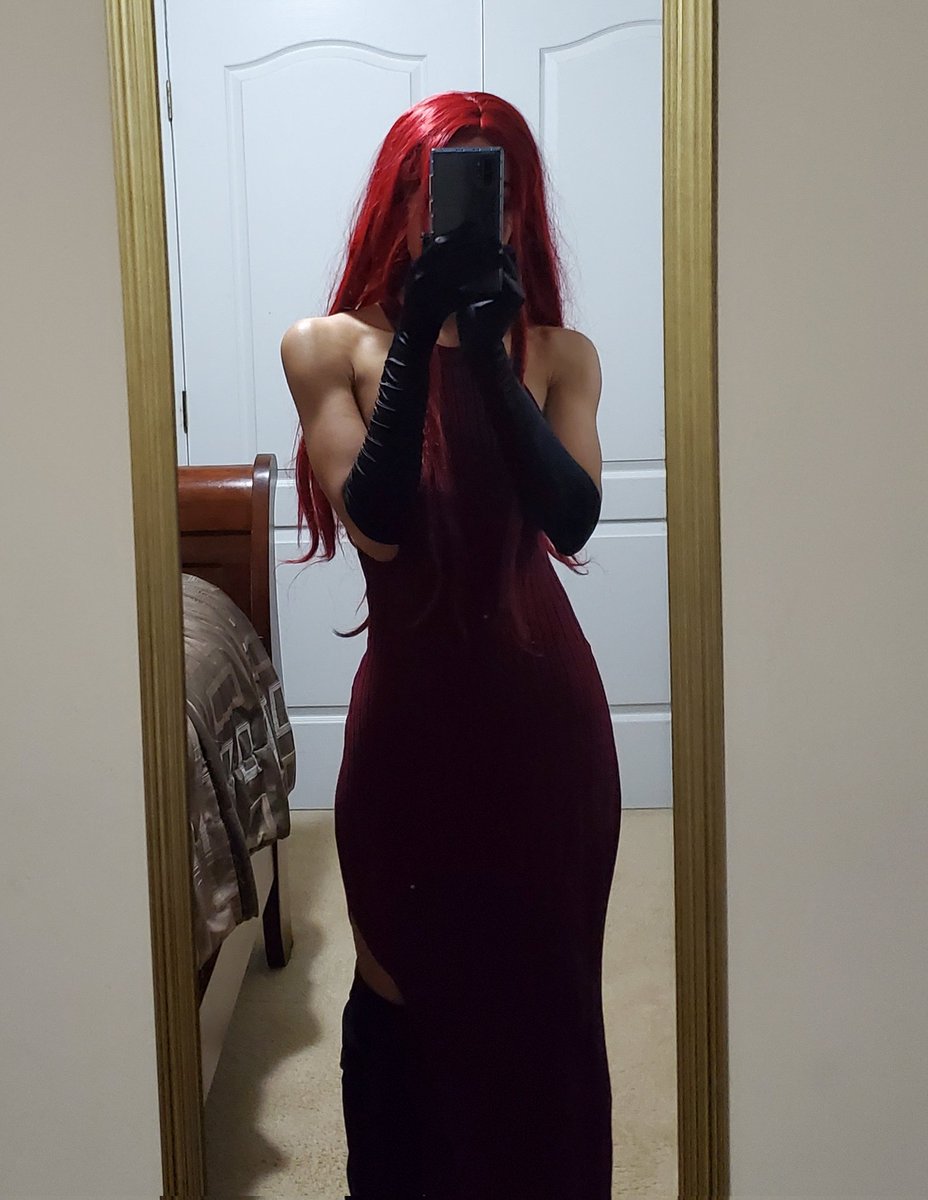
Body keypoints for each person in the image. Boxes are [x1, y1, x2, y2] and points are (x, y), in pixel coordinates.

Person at [281, 91, 622, 1200]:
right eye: (453, 187)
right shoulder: (326, 347)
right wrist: (421, 332)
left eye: (501, 188)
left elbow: (571, 518)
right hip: (410, 734)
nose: (486, 213)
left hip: (546, 732)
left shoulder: (560, 356)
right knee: (402, 990)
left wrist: (483, 353)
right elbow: (378, 525)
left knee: (547, 996)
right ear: (405, 198)